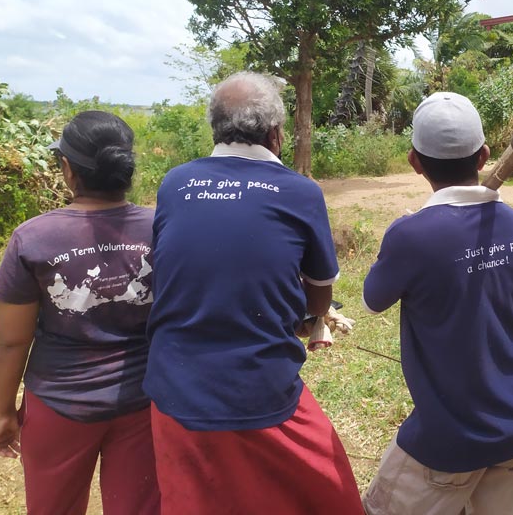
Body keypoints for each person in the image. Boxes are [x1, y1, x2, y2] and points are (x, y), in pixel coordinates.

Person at [143, 71, 363, 514]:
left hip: (175, 390)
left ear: (215, 128)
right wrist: (311, 315)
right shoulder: (300, 191)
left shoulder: (175, 183)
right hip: (262, 389)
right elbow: (320, 294)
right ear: (276, 133)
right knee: (329, 495)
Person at [362, 92, 513, 515]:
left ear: (414, 161)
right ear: (483, 155)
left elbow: (372, 301)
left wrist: (401, 232)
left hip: (449, 438)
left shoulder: (410, 236)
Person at [0, 110, 160, 515]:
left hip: (59, 403)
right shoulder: (161, 227)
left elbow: (12, 340)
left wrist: (2, 412)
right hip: (144, 401)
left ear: (67, 169)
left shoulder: (33, 237)